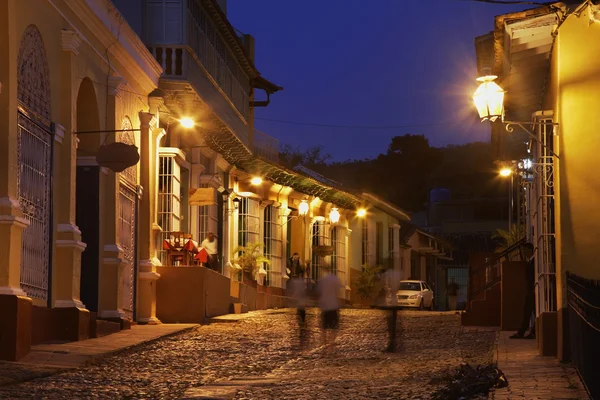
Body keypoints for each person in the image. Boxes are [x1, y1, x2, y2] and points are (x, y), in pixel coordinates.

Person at [510, 242, 536, 339]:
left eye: (524, 250)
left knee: (531, 311)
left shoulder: (534, 261)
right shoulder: (530, 261)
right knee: (529, 311)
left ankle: (526, 332)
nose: (523, 252)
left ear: (529, 250)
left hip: (533, 290)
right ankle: (525, 331)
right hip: (530, 290)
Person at [317, 270, 342, 353]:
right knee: (333, 327)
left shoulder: (322, 280)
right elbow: (337, 292)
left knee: (324, 327)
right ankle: (331, 347)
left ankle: (324, 345)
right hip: (333, 305)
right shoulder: (335, 279)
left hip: (325, 306)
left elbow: (319, 293)